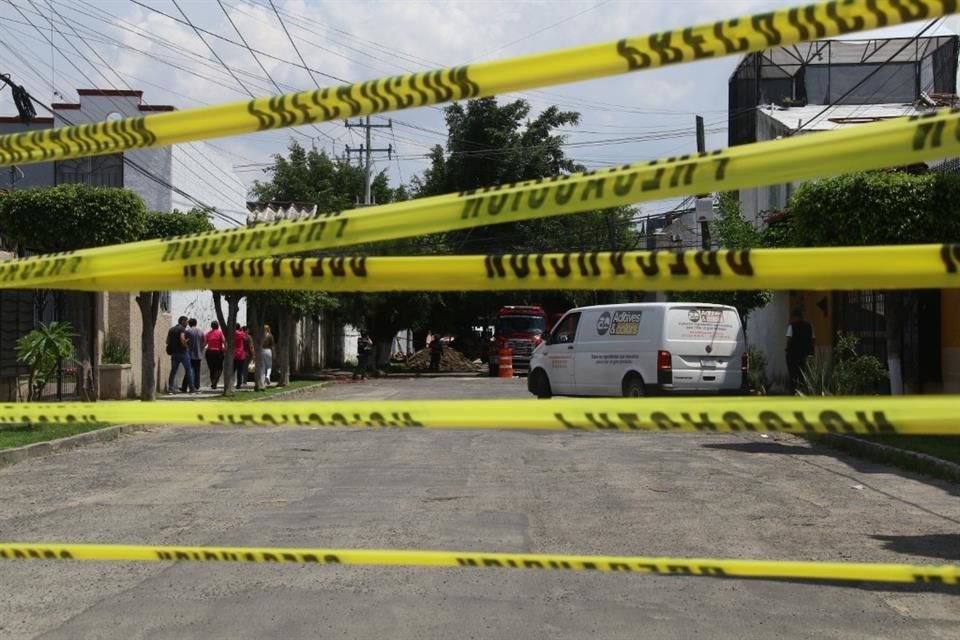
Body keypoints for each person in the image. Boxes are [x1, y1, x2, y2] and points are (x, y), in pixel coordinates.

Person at [786, 309, 815, 393]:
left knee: (793, 376)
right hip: (805, 355)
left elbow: (788, 339)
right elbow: (813, 340)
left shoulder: (791, 326)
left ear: (794, 317)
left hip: (793, 355)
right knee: (803, 376)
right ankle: (803, 392)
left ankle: (793, 393)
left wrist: (787, 350)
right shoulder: (809, 326)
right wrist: (812, 353)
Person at [166, 315, 192, 394]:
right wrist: (186, 346)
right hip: (183, 353)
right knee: (189, 370)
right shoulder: (182, 329)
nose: (187, 323)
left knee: (173, 371)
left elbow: (167, 341)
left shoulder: (171, 329)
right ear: (182, 321)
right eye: (186, 322)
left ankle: (171, 388)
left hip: (174, 353)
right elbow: (182, 339)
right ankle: (192, 388)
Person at [180, 318, 204, 393]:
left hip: (190, 354)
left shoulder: (188, 331)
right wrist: (201, 350)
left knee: (188, 371)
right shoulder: (201, 331)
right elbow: (204, 341)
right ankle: (197, 386)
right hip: (198, 354)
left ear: (189, 324)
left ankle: (184, 386)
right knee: (197, 371)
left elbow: (184, 341)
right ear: (196, 323)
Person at [205, 320, 224, 389]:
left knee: (211, 368)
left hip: (209, 352)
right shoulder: (220, 333)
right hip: (218, 352)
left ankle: (213, 381)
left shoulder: (208, 333)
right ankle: (214, 382)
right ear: (218, 326)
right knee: (219, 368)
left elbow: (205, 343)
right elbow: (224, 341)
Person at [234, 323, 248, 388]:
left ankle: (230, 383)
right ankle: (238, 384)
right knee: (240, 371)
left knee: (232, 370)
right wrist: (241, 330)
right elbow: (245, 338)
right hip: (241, 354)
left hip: (233, 354)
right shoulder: (241, 333)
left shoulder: (231, 333)